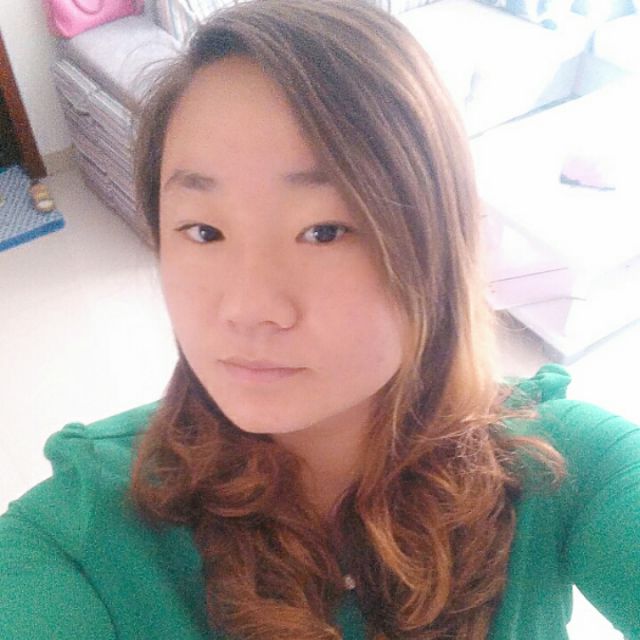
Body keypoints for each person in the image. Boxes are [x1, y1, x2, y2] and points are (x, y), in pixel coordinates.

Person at [1, 1, 638, 638]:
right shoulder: (80, 537)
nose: (247, 308)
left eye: (324, 231)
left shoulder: (564, 469)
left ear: (440, 244)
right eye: (204, 230)